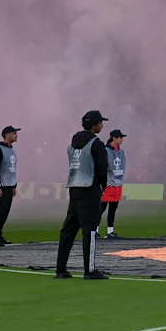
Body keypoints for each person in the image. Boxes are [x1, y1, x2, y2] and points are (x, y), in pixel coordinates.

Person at [53, 109, 111, 280]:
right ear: (94, 125)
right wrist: (102, 187)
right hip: (90, 188)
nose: (102, 125)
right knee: (90, 231)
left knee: (68, 231)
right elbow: (102, 169)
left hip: (74, 188)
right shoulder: (96, 144)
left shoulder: (72, 144)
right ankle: (89, 270)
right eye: (100, 122)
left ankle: (60, 269)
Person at [102, 130, 128, 238]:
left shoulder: (121, 152)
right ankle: (95, 231)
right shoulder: (105, 151)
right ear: (114, 138)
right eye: (120, 137)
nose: (122, 139)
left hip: (118, 185)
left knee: (113, 209)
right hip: (108, 184)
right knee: (101, 208)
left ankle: (110, 231)